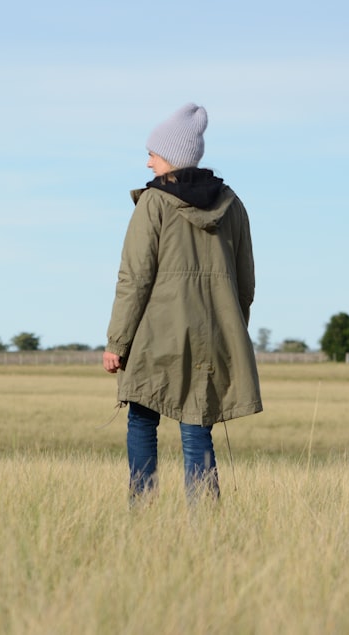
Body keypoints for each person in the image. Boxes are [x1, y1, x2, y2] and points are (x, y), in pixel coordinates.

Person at [103, 103, 263, 505]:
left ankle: (142, 508)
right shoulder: (233, 204)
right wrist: (232, 329)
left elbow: (134, 278)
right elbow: (246, 281)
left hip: (155, 335)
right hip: (213, 337)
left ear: (171, 156)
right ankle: (205, 521)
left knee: (142, 418)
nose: (147, 161)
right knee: (198, 424)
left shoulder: (153, 203)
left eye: (153, 154)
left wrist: (117, 342)